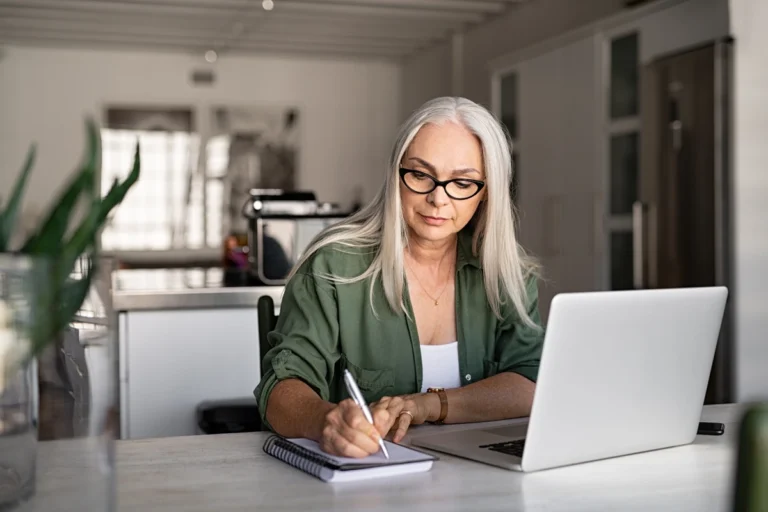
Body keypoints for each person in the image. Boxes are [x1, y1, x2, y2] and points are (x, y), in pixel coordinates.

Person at [254, 96, 544, 458]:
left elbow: (531, 383)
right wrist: (324, 420)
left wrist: (427, 405)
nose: (438, 199)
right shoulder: (332, 265)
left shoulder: (506, 273)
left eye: (462, 182)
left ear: (486, 193)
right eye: (421, 175)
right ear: (396, 174)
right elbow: (281, 388)